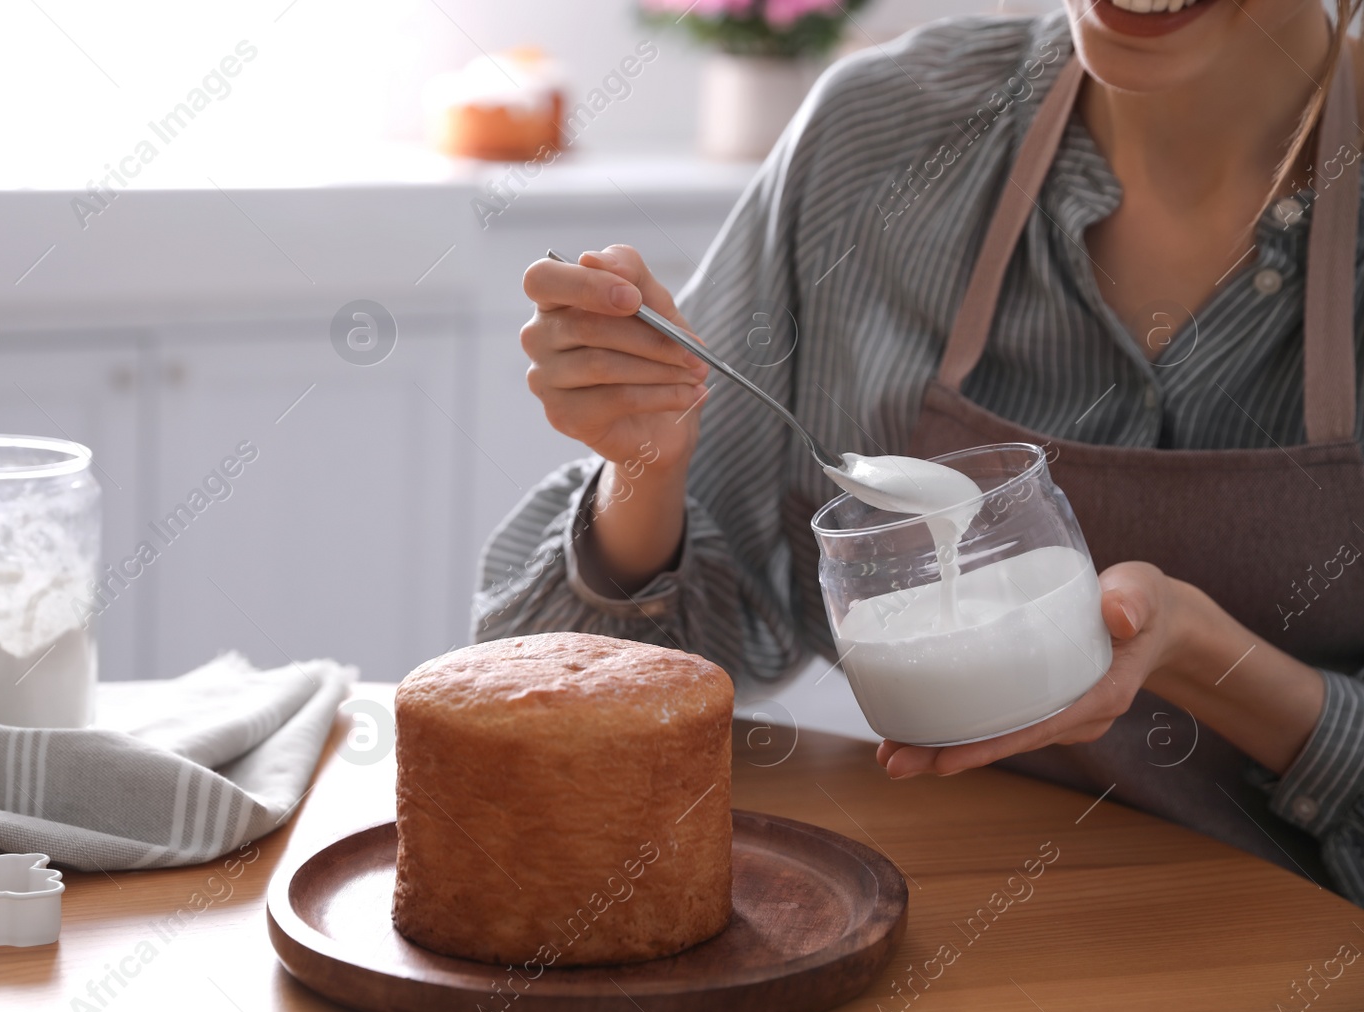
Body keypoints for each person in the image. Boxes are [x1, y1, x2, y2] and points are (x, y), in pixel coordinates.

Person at [474, 0, 1364, 903]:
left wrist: (1203, 656)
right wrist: (645, 470)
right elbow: (568, 709)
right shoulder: (883, 137)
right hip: (912, 919)